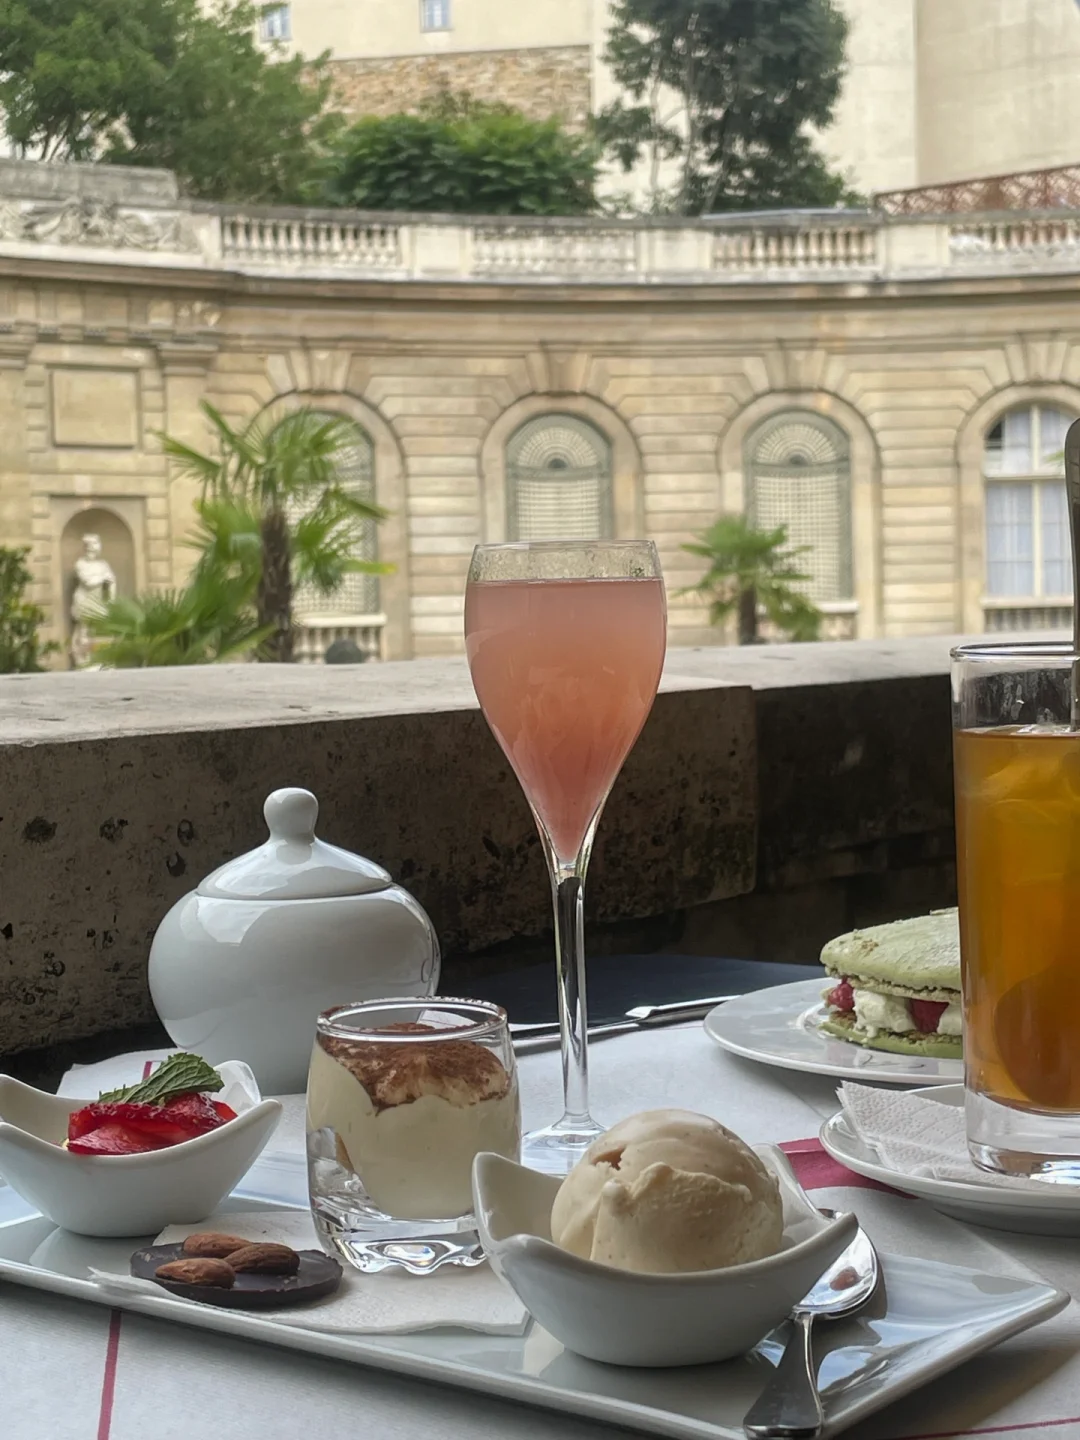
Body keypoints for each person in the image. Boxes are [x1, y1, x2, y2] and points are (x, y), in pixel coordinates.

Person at [70, 533, 116, 668]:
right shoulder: (80, 564)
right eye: (89, 545)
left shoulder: (103, 565)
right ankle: (83, 660)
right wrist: (102, 578)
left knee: (101, 630)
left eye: (95, 544)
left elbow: (112, 580)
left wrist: (111, 599)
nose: (92, 548)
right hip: (84, 600)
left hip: (99, 601)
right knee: (83, 629)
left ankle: (101, 659)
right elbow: (88, 581)